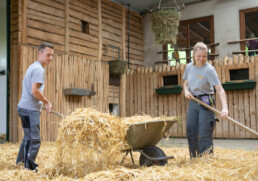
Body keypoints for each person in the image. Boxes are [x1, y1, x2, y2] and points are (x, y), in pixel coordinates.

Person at [183, 42, 228, 158]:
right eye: (199, 56)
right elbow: (185, 83)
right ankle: (194, 158)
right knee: (190, 130)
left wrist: (225, 108)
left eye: (204, 56)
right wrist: (186, 91)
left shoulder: (209, 70)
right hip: (193, 101)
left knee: (204, 132)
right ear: (193, 54)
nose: (201, 59)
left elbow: (220, 89)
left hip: (206, 101)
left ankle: (206, 160)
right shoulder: (189, 67)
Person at [16, 42, 54, 170]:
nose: (50, 58)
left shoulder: (33, 66)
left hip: (24, 108)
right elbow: (34, 91)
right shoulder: (39, 69)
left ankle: (21, 163)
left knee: (28, 137)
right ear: (40, 53)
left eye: (52, 56)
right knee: (35, 139)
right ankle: (29, 168)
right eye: (48, 55)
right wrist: (46, 102)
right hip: (30, 110)